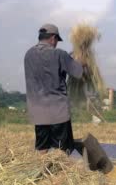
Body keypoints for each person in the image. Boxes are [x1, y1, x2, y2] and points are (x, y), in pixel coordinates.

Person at [24, 23, 85, 155]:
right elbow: (78, 72)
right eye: (57, 40)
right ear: (53, 38)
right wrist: (81, 61)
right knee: (62, 151)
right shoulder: (59, 54)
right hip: (58, 112)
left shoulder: (28, 54)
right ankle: (60, 175)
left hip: (38, 112)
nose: (56, 43)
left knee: (42, 148)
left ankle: (42, 173)